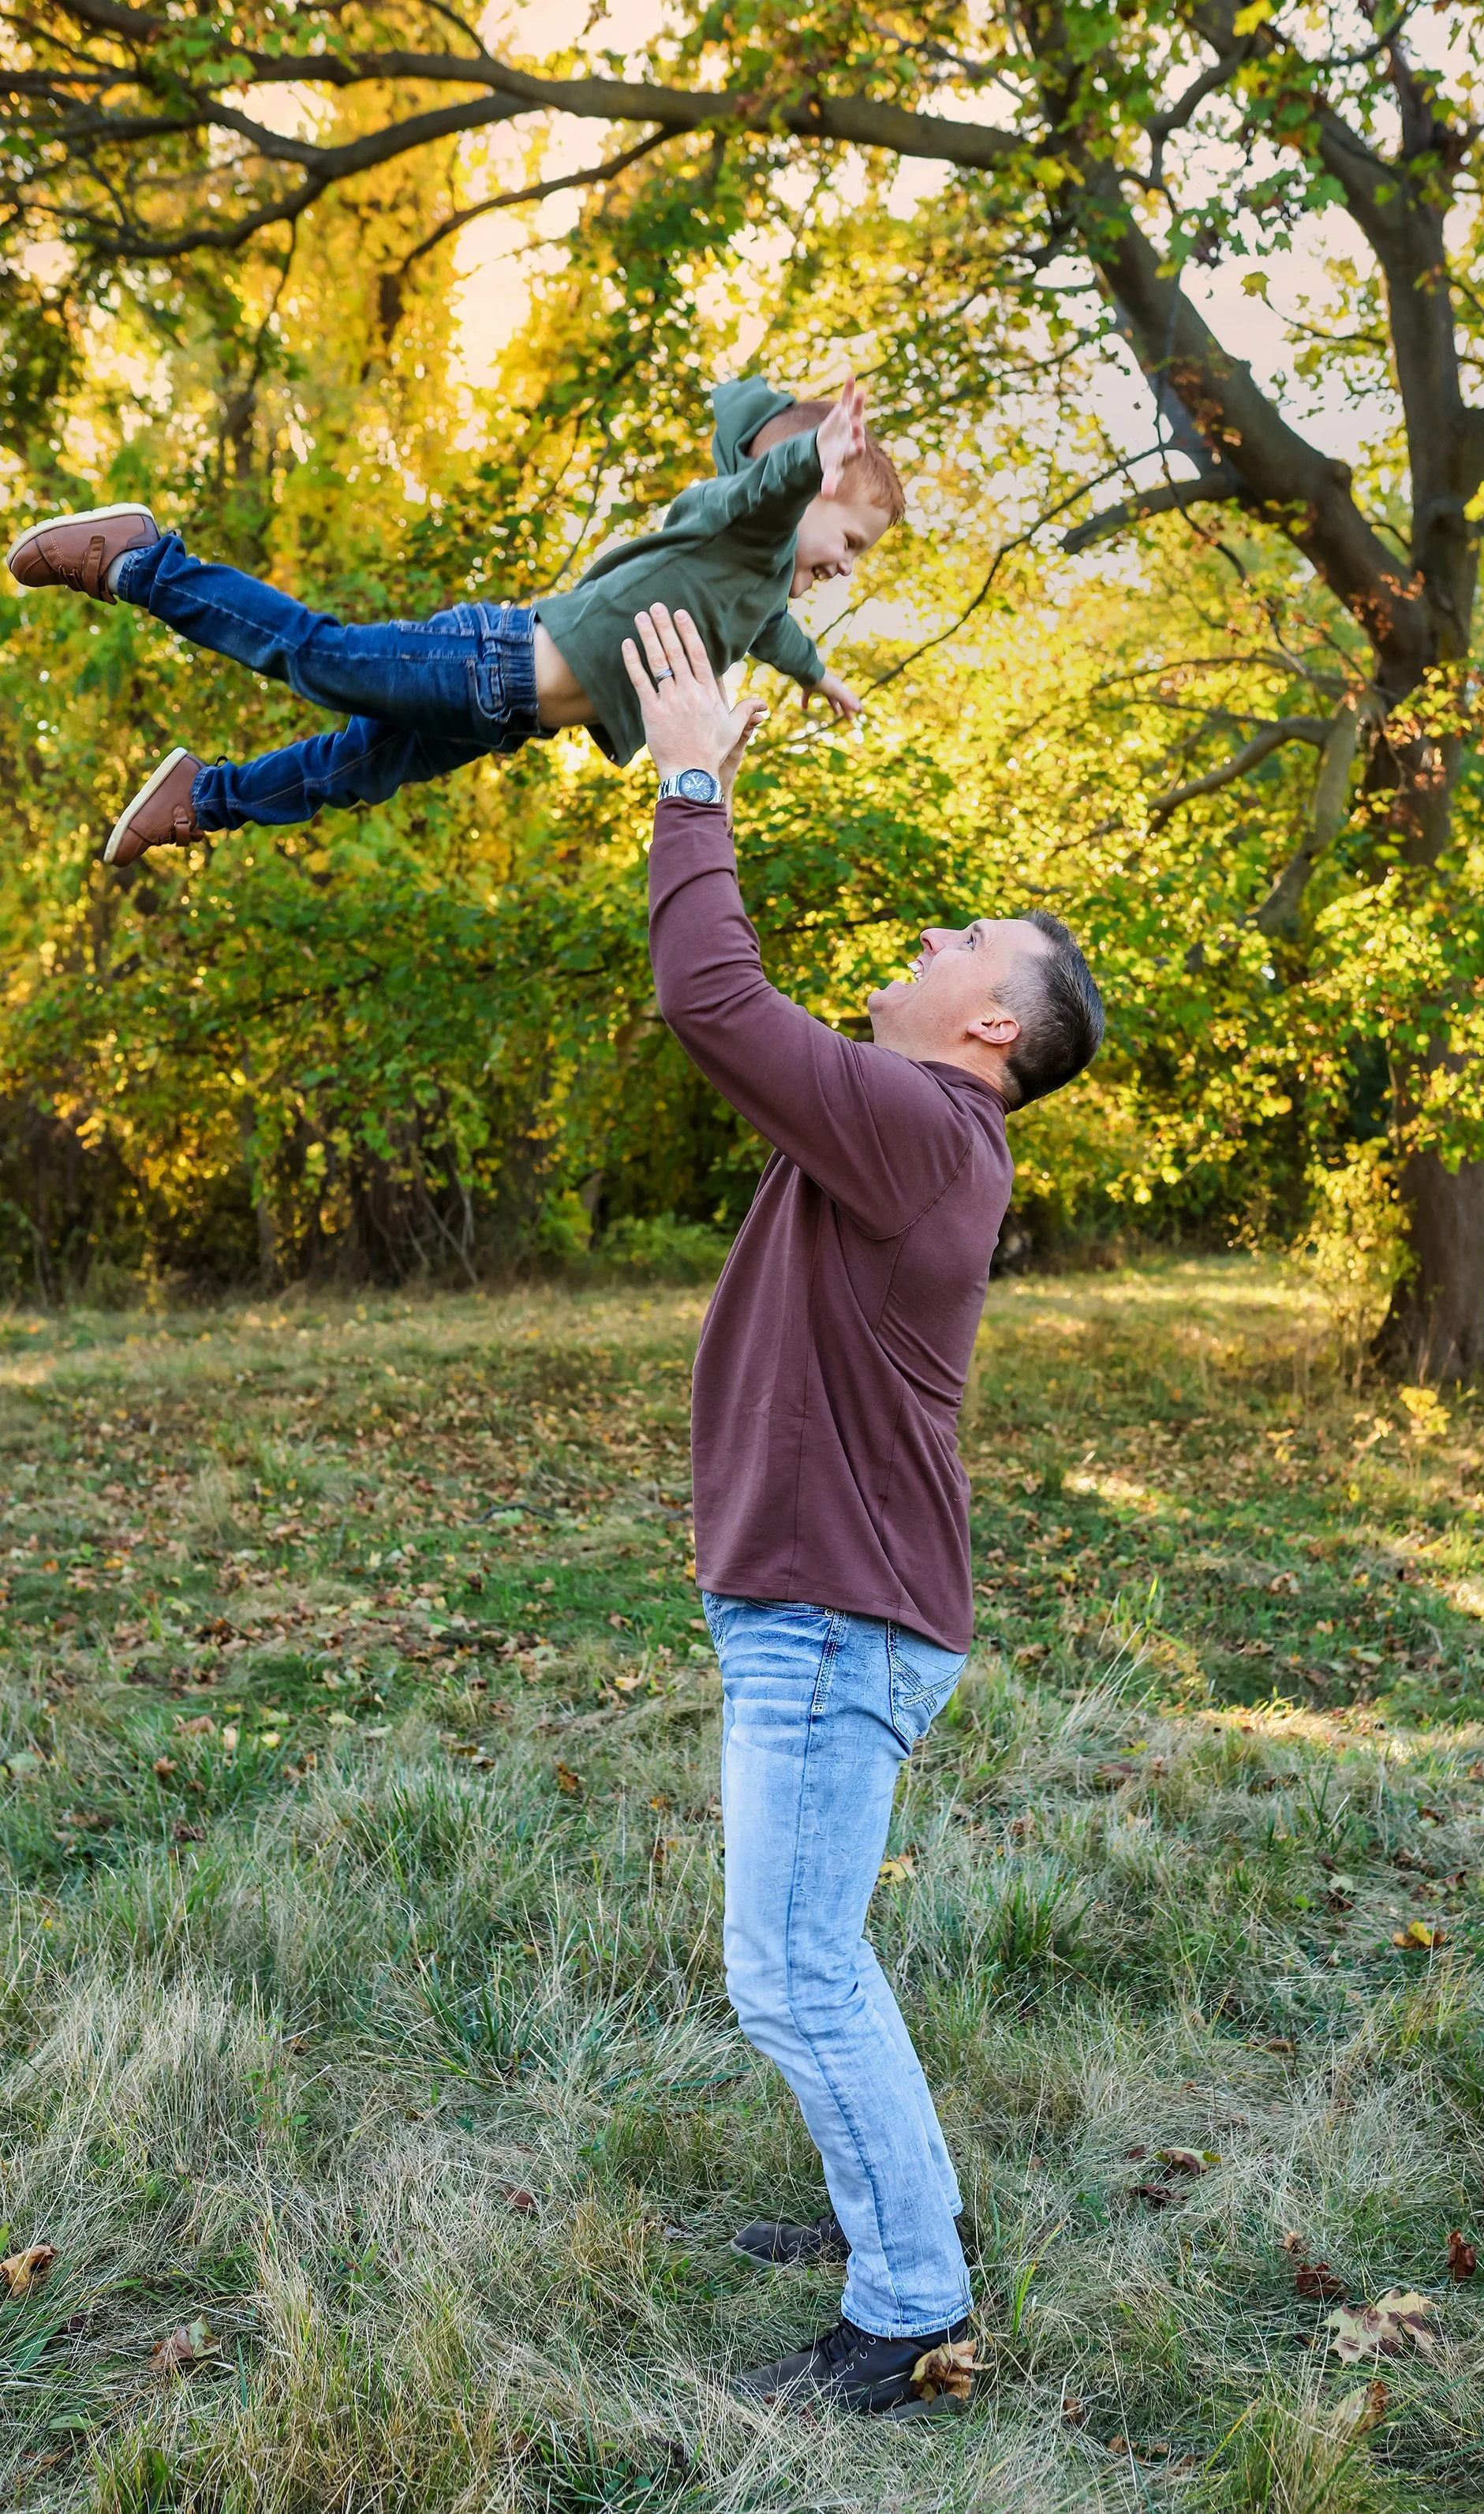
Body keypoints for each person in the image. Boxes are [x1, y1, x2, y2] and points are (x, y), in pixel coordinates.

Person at [622, 600, 1104, 2420]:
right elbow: (746, 1017)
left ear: (989, 1023)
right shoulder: (904, 1126)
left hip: (835, 1616)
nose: (922, 939)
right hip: (819, 1601)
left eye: (959, 941)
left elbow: (710, 1000)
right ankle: (880, 2213)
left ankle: (906, 2299)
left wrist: (691, 785)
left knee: (791, 1972)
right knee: (799, 1963)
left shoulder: (925, 1132)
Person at [3, 377, 899, 866]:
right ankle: (140, 562)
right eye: (850, 540)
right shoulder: (743, 525)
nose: (846, 566)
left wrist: (818, 674)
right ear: (807, 486)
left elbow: (774, 634)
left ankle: (205, 799)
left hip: (503, 717)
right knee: (315, 656)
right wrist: (810, 458)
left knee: (350, 772)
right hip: (491, 662)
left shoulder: (756, 594)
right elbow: (763, 490)